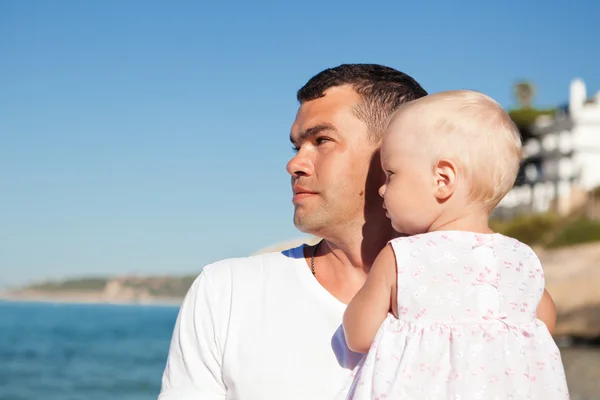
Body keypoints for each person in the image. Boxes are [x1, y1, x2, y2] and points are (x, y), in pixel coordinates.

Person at [157, 64, 557, 400]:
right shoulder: (225, 292)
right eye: (297, 146)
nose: (294, 164)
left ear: (391, 155)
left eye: (322, 140)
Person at [339, 90, 568, 399]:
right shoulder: (521, 257)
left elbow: (359, 335)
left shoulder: (402, 256)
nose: (381, 189)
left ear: (442, 179)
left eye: (391, 174)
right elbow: (543, 325)